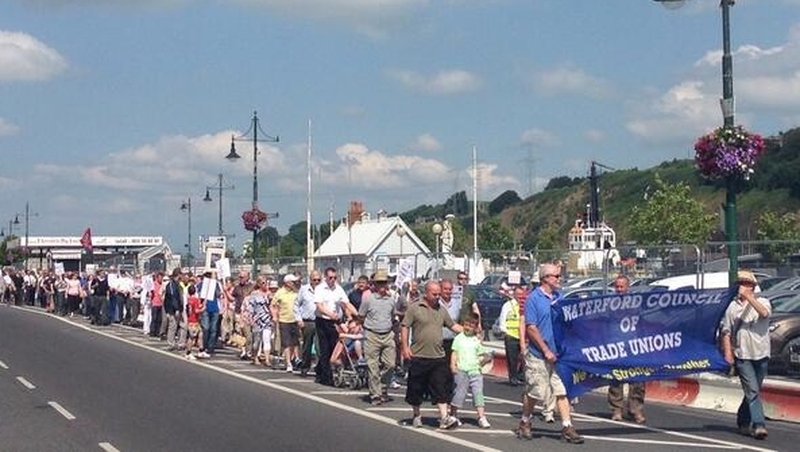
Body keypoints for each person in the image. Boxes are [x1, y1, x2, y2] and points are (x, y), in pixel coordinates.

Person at [517, 263, 583, 444]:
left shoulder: (559, 298)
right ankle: (525, 421)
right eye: (556, 276)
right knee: (536, 392)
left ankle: (567, 426)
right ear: (545, 278)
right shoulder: (534, 299)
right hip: (538, 354)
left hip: (559, 355)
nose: (559, 279)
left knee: (561, 391)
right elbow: (531, 327)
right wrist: (545, 350)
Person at [401, 280, 463, 430]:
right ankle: (416, 415)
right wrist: (405, 347)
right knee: (416, 388)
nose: (437, 297)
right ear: (426, 293)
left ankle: (444, 418)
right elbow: (405, 327)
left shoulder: (441, 310)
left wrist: (469, 332)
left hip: (438, 356)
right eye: (434, 294)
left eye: (438, 294)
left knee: (440, 387)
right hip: (419, 355)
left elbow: (452, 325)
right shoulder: (415, 308)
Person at [720, 270, 772, 440]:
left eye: (746, 283)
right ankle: (759, 424)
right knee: (752, 390)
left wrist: (750, 298)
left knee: (753, 390)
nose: (743, 286)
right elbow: (726, 330)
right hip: (743, 355)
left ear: (753, 286)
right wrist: (728, 352)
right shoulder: (732, 307)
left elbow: (764, 314)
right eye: (740, 283)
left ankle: (743, 419)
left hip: (761, 353)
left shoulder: (763, 301)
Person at [607, 274, 646, 423]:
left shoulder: (635, 304)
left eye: (621, 286)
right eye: (616, 286)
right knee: (616, 379)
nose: (619, 289)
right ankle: (616, 409)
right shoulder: (608, 304)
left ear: (628, 287)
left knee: (637, 380)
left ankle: (635, 409)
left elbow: (643, 324)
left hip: (634, 347)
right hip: (615, 346)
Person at [359, 270, 397, 405]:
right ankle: (375, 394)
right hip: (372, 334)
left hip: (387, 334)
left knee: (390, 364)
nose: (382, 285)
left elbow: (393, 316)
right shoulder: (368, 299)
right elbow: (361, 316)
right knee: (373, 366)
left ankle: (383, 387)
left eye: (384, 283)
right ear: (374, 284)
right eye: (379, 283)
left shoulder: (391, 299)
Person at [314, 267, 357, 386]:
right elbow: (319, 306)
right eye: (330, 278)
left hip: (335, 322)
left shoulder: (338, 289)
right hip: (323, 320)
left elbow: (346, 304)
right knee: (325, 348)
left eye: (335, 277)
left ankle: (321, 369)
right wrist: (330, 314)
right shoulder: (320, 289)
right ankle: (326, 378)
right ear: (325, 277)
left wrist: (358, 315)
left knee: (335, 348)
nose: (333, 280)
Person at [450, 313, 492, 429]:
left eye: (471, 326)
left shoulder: (476, 340)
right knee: (459, 393)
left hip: (475, 371)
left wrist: (483, 361)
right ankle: (453, 414)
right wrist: (453, 365)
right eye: (466, 325)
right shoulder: (459, 338)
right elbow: (454, 352)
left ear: (475, 327)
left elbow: (482, 354)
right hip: (462, 369)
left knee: (478, 394)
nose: (468, 327)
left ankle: (481, 416)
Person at [243, 276, 278, 366]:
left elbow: (275, 306)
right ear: (258, 284)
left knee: (267, 339)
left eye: (266, 283)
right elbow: (250, 307)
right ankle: (255, 356)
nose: (265, 285)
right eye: (263, 283)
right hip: (257, 320)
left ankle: (267, 359)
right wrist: (250, 319)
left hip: (267, 319)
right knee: (257, 341)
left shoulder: (270, 294)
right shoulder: (254, 295)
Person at [498, 285, 526, 386]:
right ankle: (513, 377)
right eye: (518, 294)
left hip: (523, 336)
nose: (520, 296)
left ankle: (521, 376)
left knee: (525, 357)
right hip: (511, 334)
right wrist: (504, 331)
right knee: (512, 358)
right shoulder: (507, 305)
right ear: (514, 294)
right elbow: (502, 318)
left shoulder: (526, 305)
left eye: (521, 295)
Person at [294, 270, 320, 376]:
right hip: (307, 321)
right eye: (314, 280)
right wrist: (299, 319)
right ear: (310, 280)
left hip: (320, 321)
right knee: (307, 345)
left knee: (320, 346)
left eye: (319, 280)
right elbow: (296, 305)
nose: (317, 282)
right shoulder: (304, 290)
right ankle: (305, 366)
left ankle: (319, 368)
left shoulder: (323, 290)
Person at [274, 274, 301, 372]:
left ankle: (295, 359)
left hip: (295, 319)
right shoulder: (280, 293)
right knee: (286, 343)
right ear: (287, 283)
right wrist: (274, 316)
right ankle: (288, 362)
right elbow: (274, 305)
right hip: (284, 320)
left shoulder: (296, 292)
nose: (294, 283)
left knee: (295, 342)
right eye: (292, 282)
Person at [185, 285, 205, 360]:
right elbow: (196, 311)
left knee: (200, 334)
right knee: (191, 337)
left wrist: (201, 305)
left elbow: (194, 308)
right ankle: (188, 352)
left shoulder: (189, 299)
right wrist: (203, 309)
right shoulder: (195, 299)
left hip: (192, 320)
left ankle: (201, 350)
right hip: (193, 320)